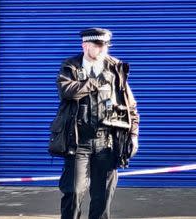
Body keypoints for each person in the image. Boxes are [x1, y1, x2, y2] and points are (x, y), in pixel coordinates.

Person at [50, 27, 139, 219]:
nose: (103, 50)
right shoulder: (70, 66)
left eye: (105, 45)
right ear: (85, 46)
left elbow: (130, 105)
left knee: (102, 196)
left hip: (106, 142)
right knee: (73, 192)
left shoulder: (115, 67)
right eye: (98, 46)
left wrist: (133, 135)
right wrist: (96, 82)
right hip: (78, 142)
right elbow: (68, 91)